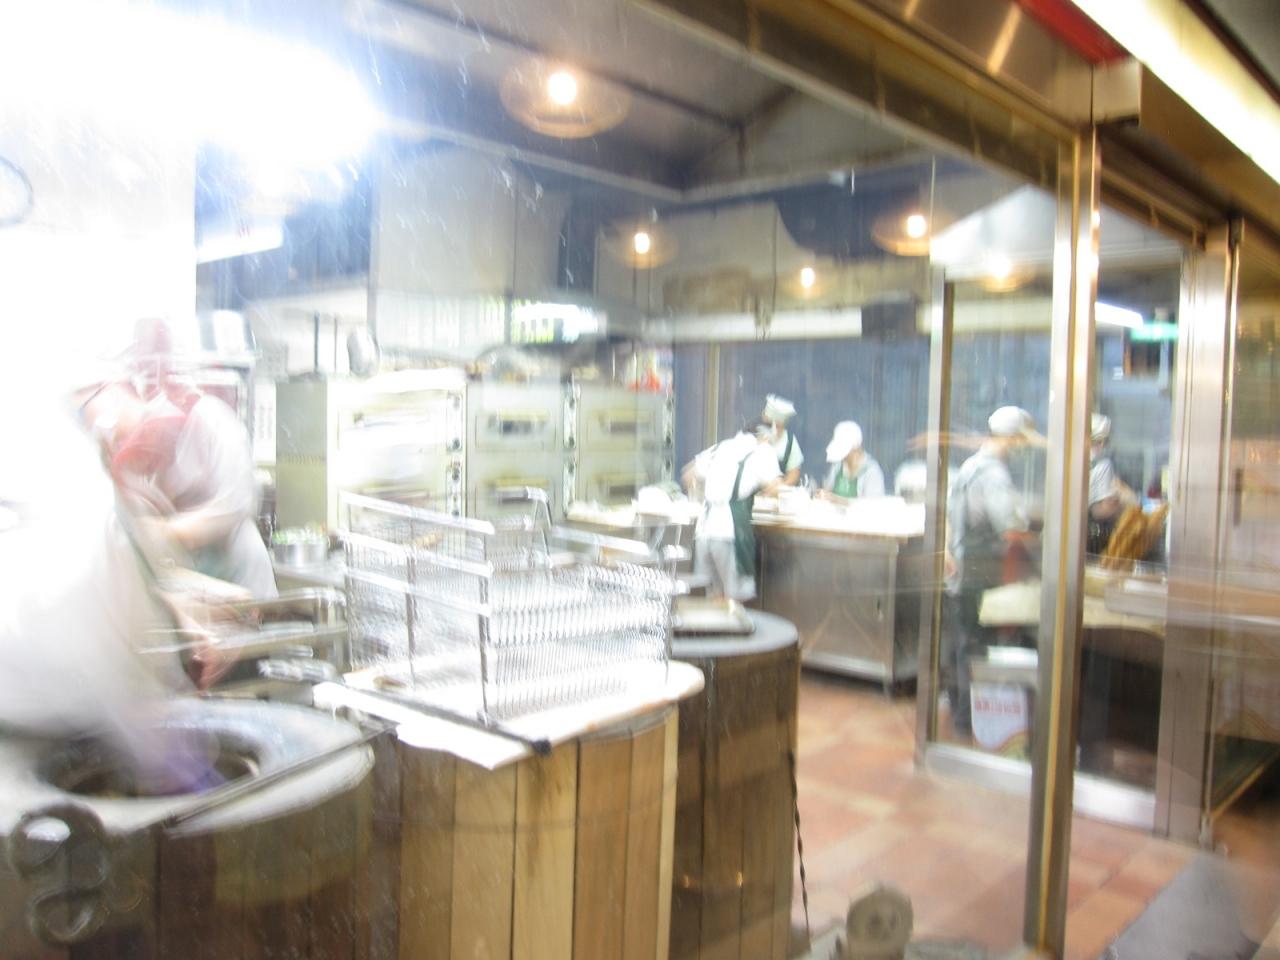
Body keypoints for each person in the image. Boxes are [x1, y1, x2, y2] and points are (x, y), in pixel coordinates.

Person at [104, 320, 277, 599]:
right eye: (146, 371)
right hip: (197, 580)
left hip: (240, 574)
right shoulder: (151, 423)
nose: (157, 381)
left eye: (161, 368)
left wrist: (169, 532)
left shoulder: (215, 420)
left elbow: (235, 504)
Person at [943, 405, 1039, 735]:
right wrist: (1044, 541)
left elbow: (950, 518)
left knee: (961, 643)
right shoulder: (994, 475)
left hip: (960, 570)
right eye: (1020, 440)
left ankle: (960, 712)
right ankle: (973, 719)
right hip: (979, 571)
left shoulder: (969, 467)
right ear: (1011, 438)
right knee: (975, 644)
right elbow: (1010, 531)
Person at [688, 420, 783, 601]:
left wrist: (708, 492)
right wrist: (761, 493)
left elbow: (689, 474)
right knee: (734, 599)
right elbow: (776, 487)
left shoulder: (721, 447)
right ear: (764, 436)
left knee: (713, 598)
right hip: (729, 532)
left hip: (704, 532)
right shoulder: (762, 450)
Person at [1086, 413, 1134, 555]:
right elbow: (1102, 510)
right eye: (1098, 441)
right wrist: (1123, 503)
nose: (1101, 446)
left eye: (1104, 441)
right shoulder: (1103, 465)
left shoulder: (1072, 463)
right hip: (1092, 537)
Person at [818, 420, 885, 501]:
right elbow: (828, 491)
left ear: (856, 448)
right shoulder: (837, 467)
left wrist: (838, 500)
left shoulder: (872, 471)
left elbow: (873, 505)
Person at [762, 394, 804, 485]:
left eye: (777, 426)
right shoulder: (753, 435)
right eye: (770, 424)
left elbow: (794, 473)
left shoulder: (789, 441)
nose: (774, 429)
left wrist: (781, 486)